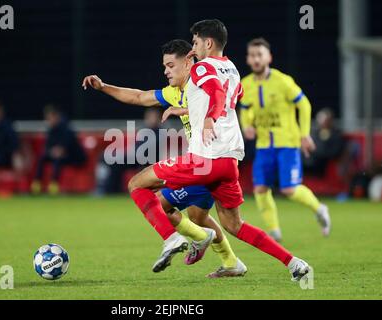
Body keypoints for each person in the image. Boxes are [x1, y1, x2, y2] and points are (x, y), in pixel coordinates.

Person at [127, 19, 311, 281]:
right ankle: (294, 263)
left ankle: (170, 239)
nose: (193, 48)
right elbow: (231, 98)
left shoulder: (202, 67)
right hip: (229, 161)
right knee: (234, 224)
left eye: (195, 42)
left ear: (208, 43)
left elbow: (214, 92)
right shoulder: (233, 69)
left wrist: (209, 117)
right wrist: (191, 110)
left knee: (137, 184)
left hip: (205, 158)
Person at [82, 39, 245, 278]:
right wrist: (103, 86)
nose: (166, 71)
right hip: (203, 162)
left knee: (157, 202)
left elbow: (221, 100)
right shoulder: (174, 92)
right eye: (164, 67)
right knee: (198, 217)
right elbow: (139, 97)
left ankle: (179, 240)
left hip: (209, 160)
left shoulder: (202, 82)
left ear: (188, 61)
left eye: (170, 65)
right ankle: (228, 260)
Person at [239, 38, 331, 242]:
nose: (255, 59)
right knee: (260, 188)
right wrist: (246, 125)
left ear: (268, 57)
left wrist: (304, 133)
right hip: (264, 146)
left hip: (287, 144)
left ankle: (319, 208)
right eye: (252, 55)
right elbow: (244, 110)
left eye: (259, 55)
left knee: (289, 189)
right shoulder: (245, 85)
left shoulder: (283, 81)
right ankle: (274, 231)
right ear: (248, 59)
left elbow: (304, 104)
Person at [31, 104, 87, 195]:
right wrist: (51, 151)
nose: (48, 121)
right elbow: (48, 146)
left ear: (56, 116)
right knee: (42, 157)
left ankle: (54, 186)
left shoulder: (67, 129)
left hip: (75, 157)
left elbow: (67, 147)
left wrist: (59, 151)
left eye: (50, 118)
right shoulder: (51, 130)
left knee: (58, 159)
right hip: (60, 156)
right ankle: (36, 184)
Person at [304, 108, 345, 176]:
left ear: (330, 120)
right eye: (320, 119)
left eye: (324, 120)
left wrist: (314, 150)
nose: (321, 122)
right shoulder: (314, 132)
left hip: (321, 163)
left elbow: (334, 152)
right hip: (309, 160)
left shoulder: (335, 134)